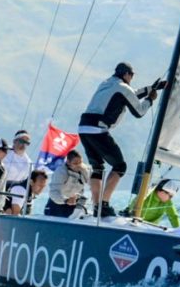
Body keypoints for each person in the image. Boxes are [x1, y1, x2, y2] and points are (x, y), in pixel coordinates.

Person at [78, 62, 163, 218]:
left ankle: (97, 206)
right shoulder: (123, 88)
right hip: (98, 129)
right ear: (126, 75)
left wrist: (151, 88)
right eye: (132, 75)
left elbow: (130, 95)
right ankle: (103, 205)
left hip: (83, 128)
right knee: (120, 166)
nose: (132, 78)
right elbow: (139, 111)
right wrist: (150, 99)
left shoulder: (107, 83)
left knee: (97, 167)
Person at [44, 150, 91, 218]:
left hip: (74, 202)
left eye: (80, 162)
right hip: (58, 203)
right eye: (75, 163)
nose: (78, 166)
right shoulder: (61, 172)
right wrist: (66, 200)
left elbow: (92, 183)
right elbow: (53, 192)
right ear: (68, 162)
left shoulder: (85, 170)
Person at [2, 130, 33, 214]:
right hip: (0, 190)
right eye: (21, 141)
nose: (23, 145)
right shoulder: (4, 152)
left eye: (26, 143)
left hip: (16, 194)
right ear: (14, 141)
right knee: (8, 212)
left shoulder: (28, 162)